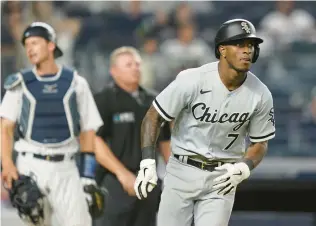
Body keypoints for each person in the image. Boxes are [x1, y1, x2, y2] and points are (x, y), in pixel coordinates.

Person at [134, 18, 276, 226]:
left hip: (223, 177)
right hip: (182, 170)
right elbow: (154, 116)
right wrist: (147, 161)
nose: (247, 50)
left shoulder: (261, 94)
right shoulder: (192, 80)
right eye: (239, 44)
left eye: (251, 45)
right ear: (222, 50)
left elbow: (260, 143)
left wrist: (244, 167)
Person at [0, 22, 103, 226]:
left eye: (35, 43)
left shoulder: (76, 83)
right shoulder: (19, 84)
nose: (30, 49)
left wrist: (88, 175)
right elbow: (5, 128)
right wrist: (7, 164)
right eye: (27, 44)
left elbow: (88, 132)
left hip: (67, 165)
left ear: (51, 45)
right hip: (30, 165)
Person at [93, 46, 171, 226]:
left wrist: (176, 174)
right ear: (114, 71)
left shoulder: (154, 100)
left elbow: (165, 141)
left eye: (137, 64)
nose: (136, 68)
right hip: (114, 182)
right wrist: (123, 174)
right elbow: (95, 141)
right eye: (129, 65)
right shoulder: (104, 99)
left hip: (148, 181)